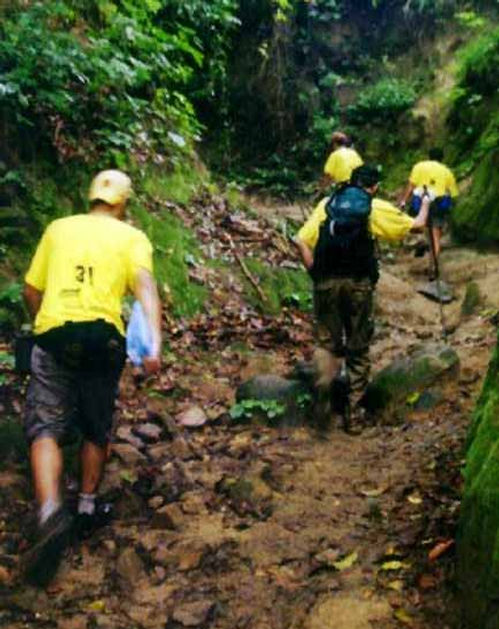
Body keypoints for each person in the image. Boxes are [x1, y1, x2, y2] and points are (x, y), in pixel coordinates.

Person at [22, 169, 162, 585]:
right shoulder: (132, 237)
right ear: (123, 203)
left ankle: (49, 513)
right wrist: (153, 344)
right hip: (103, 339)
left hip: (55, 334)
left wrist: (43, 327)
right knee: (96, 425)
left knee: (44, 426)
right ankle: (85, 506)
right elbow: (145, 288)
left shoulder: (58, 229)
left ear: (92, 198)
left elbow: (31, 290)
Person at [295, 165, 429, 433]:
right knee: (357, 346)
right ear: (374, 187)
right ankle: (353, 414)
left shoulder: (328, 203)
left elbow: (300, 240)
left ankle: (322, 407)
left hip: (326, 283)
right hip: (359, 285)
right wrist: (425, 203)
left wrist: (316, 274)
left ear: (350, 182)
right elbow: (417, 226)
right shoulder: (374, 206)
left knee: (326, 344)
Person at [399, 148, 458, 261]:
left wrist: (403, 201)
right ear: (442, 158)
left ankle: (421, 241)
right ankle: (434, 265)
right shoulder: (447, 171)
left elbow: (411, 186)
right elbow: (453, 194)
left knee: (420, 225)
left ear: (429, 156)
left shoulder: (419, 167)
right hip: (439, 204)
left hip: (420, 203)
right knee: (436, 235)